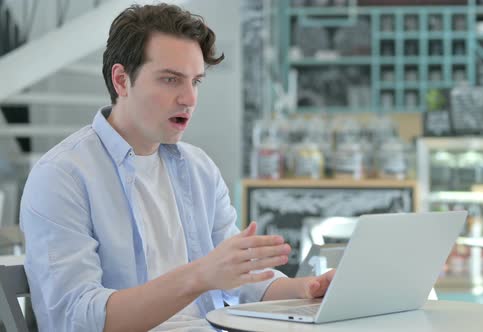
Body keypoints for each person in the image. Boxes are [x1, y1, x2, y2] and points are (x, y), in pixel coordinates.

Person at [19, 4, 335, 332]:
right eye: (171, 80)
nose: (189, 98)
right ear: (121, 80)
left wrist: (309, 289)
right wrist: (199, 275)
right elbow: (76, 319)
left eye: (195, 82)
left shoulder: (199, 169)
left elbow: (244, 283)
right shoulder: (62, 176)